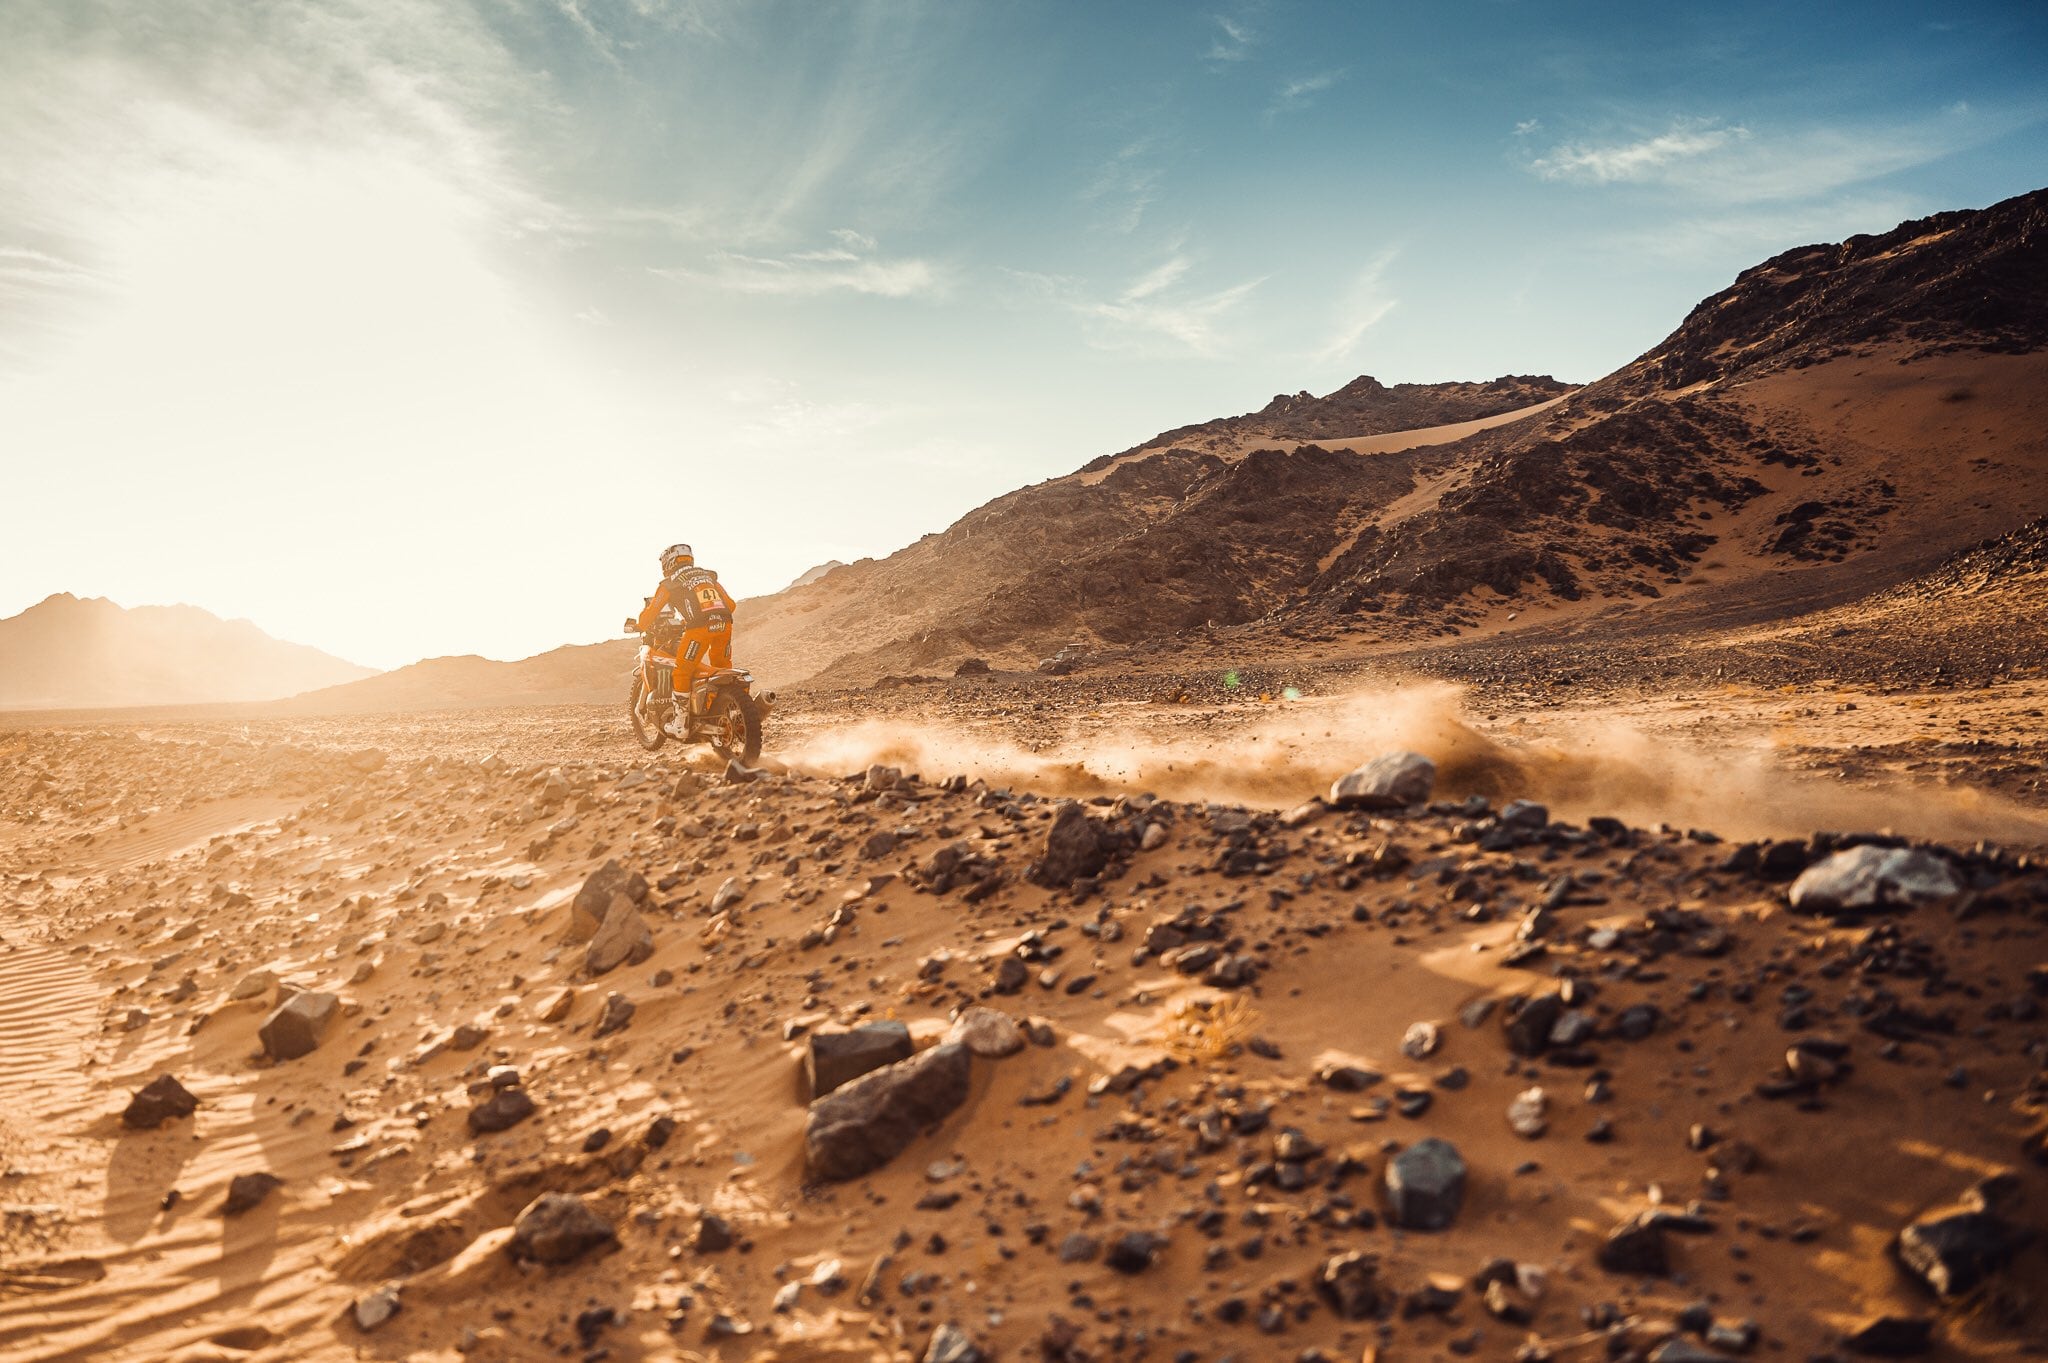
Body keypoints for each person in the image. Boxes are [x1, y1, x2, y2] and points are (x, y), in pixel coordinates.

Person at [629, 543, 737, 702]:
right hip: (725, 625)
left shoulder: (669, 583)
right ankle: (723, 707)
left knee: (682, 672)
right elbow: (731, 605)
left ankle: (679, 722)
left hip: (699, 630)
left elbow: (652, 610)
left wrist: (640, 625)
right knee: (721, 670)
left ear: (669, 562)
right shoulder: (708, 576)